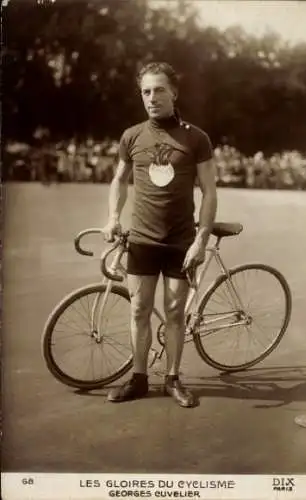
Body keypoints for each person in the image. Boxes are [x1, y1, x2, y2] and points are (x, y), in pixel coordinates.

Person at [103, 62, 217, 407]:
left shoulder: (196, 138)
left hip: (180, 241)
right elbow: (119, 181)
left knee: (174, 311)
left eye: (159, 90)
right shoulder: (132, 135)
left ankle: (173, 378)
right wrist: (112, 217)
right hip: (142, 239)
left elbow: (209, 191)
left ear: (174, 93)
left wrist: (202, 239)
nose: (152, 97)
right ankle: (138, 378)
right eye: (146, 91)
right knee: (139, 309)